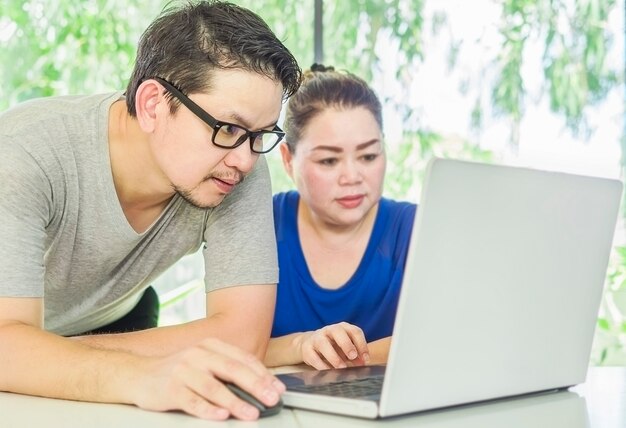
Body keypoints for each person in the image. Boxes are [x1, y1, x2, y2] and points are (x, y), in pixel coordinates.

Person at [0, 1, 301, 421]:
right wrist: (132, 374)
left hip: (118, 322)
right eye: (228, 129)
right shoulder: (23, 154)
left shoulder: (238, 163)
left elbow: (241, 336)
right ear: (152, 105)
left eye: (260, 135)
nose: (246, 160)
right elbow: (6, 344)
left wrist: (42, 356)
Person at [264, 65, 417, 370]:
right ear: (287, 159)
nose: (352, 177)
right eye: (329, 160)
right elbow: (230, 345)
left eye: (369, 156)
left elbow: (445, 339)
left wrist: (337, 358)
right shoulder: (262, 225)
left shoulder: (417, 229)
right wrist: (302, 345)